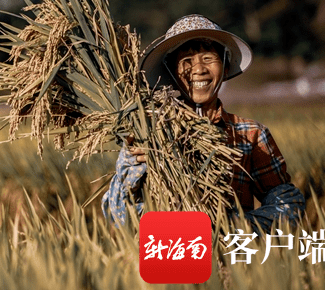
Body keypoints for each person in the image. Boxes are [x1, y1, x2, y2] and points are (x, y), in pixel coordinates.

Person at [101, 14, 305, 233]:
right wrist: (130, 170)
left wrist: (235, 227)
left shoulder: (251, 134)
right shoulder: (148, 135)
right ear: (172, 73)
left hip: (230, 261)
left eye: (208, 58)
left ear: (225, 67)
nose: (198, 69)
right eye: (186, 60)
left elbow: (290, 206)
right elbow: (115, 216)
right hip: (168, 258)